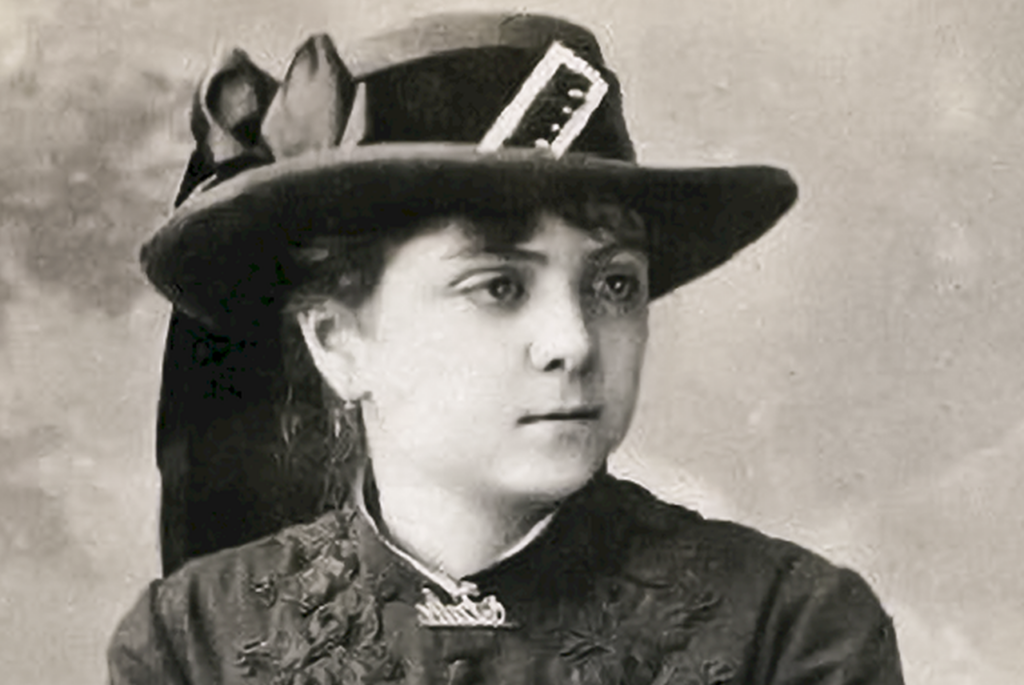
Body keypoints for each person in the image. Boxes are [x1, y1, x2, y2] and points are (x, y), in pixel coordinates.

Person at [109, 11, 904, 685]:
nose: (573, 342)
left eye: (615, 283)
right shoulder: (190, 640)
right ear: (337, 341)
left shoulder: (789, 629)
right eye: (498, 286)